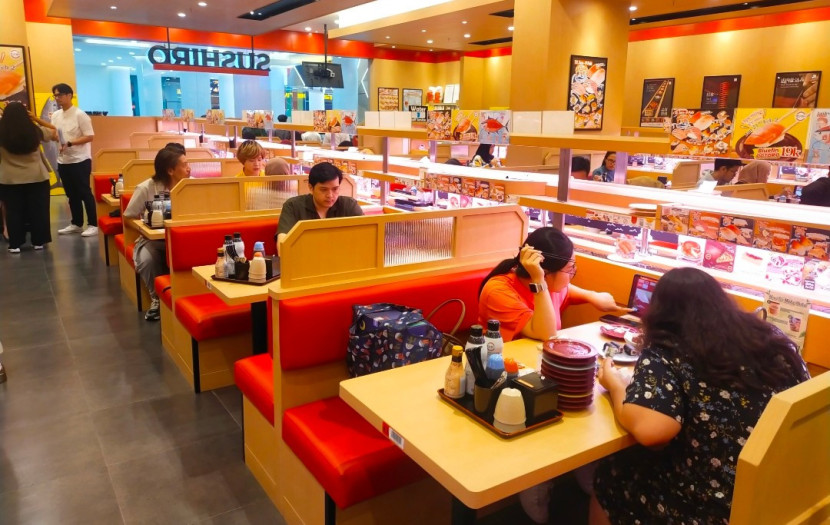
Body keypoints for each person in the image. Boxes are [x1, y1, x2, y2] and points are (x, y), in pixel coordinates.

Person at [591, 267, 809, 525]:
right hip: (787, 489)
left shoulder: (667, 349)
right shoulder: (773, 340)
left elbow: (652, 431)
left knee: (611, 471)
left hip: (720, 505)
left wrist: (615, 385)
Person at [478, 227, 627, 342]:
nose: (572, 274)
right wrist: (538, 280)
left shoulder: (552, 286)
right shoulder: (498, 291)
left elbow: (567, 291)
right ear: (545, 272)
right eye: (570, 269)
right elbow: (546, 333)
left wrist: (592, 296)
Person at [124, 147, 191, 321]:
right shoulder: (146, 188)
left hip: (184, 240)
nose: (189, 168)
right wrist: (144, 228)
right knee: (147, 259)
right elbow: (128, 217)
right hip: (153, 241)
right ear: (170, 170)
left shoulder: (192, 186)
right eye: (185, 165)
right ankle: (157, 299)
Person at [0, 103, 56, 253]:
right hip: (37, 176)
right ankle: (38, 241)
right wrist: (36, 119)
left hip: (9, 179)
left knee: (13, 211)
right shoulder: (35, 130)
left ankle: (15, 244)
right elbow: (54, 131)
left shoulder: (2, 132)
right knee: (38, 210)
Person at [275, 162, 363, 254]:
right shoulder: (293, 206)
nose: (330, 195)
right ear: (311, 188)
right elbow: (283, 247)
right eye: (323, 190)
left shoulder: (349, 205)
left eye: (335, 189)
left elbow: (367, 237)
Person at [50, 83, 98, 237]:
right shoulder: (56, 115)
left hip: (80, 159)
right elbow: (53, 134)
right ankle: (76, 223)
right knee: (71, 194)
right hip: (63, 160)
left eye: (60, 95)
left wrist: (70, 143)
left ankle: (93, 224)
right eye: (55, 96)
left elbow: (90, 136)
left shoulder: (80, 114)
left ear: (69, 95)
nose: (58, 98)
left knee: (84, 192)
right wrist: (54, 137)